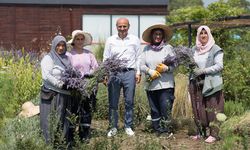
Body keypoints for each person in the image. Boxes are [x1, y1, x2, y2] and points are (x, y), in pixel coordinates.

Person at [103, 17, 142, 137]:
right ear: (116, 27)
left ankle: (128, 126)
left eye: (124, 26)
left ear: (128, 27)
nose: (122, 28)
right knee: (113, 101)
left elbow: (138, 57)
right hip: (114, 73)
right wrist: (105, 73)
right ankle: (113, 127)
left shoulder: (135, 40)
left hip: (129, 72)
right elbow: (106, 58)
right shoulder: (110, 40)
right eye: (120, 26)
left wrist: (138, 72)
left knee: (129, 101)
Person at [189, 25, 224, 143]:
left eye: (205, 33)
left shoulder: (215, 48)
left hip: (211, 82)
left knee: (212, 106)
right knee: (198, 106)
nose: (203, 35)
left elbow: (219, 66)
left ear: (209, 35)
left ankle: (214, 134)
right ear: (198, 35)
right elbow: (191, 64)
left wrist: (203, 70)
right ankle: (200, 132)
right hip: (196, 81)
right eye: (201, 33)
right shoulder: (194, 49)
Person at [140, 24, 175, 134]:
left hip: (166, 85)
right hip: (151, 86)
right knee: (154, 109)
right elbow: (141, 65)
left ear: (163, 36)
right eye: (156, 34)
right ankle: (157, 129)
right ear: (152, 36)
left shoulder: (168, 48)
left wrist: (166, 68)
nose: (158, 36)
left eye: (160, 34)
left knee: (165, 108)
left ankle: (166, 130)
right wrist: (150, 71)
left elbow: (175, 65)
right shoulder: (146, 49)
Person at [40, 35, 74, 145]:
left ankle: (61, 143)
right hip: (52, 94)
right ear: (54, 46)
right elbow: (46, 76)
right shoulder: (48, 58)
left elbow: (72, 74)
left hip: (65, 95)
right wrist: (60, 84)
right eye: (58, 45)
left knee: (63, 120)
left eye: (63, 45)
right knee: (50, 119)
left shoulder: (67, 59)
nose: (61, 48)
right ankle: (49, 144)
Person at [67, 30, 99, 140]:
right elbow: (67, 70)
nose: (80, 41)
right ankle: (71, 136)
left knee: (86, 110)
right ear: (73, 41)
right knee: (74, 110)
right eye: (77, 39)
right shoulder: (69, 55)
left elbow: (96, 68)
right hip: (74, 87)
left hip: (88, 86)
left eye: (81, 39)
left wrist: (90, 74)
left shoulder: (89, 54)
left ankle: (84, 136)